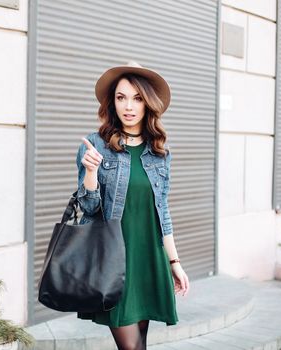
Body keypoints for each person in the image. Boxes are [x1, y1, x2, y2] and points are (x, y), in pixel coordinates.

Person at [75, 61, 190, 350]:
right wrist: (90, 173)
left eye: (137, 98)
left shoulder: (159, 151)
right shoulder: (94, 145)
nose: (129, 106)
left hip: (148, 258)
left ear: (148, 103)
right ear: (112, 103)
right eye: (121, 97)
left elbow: (162, 210)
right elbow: (88, 208)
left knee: (140, 344)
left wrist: (174, 262)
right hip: (114, 259)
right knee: (132, 347)